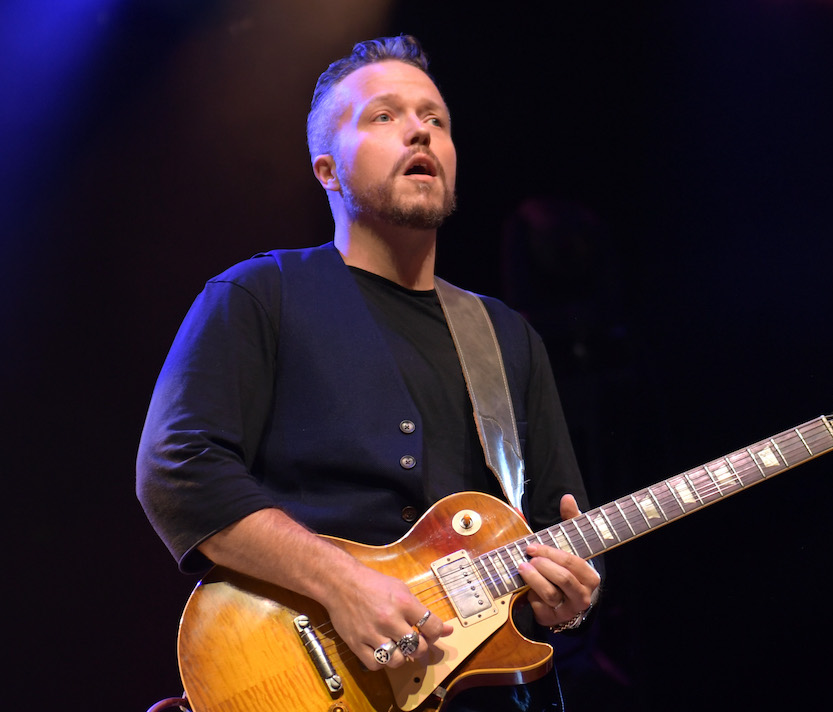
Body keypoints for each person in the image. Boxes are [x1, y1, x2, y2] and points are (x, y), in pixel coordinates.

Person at [136, 35, 600, 712]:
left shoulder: (506, 336)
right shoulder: (261, 295)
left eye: (436, 119)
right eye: (384, 116)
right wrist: (342, 584)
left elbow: (556, 525)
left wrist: (568, 601)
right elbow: (178, 467)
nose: (420, 130)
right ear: (327, 170)